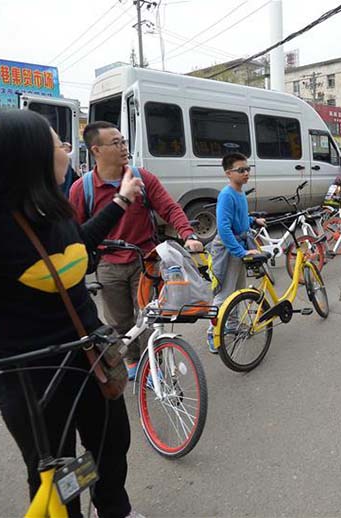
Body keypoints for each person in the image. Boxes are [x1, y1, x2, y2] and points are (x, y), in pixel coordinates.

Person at [0, 110, 143, 517]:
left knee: (111, 447)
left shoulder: (53, 207)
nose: (66, 150)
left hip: (89, 357)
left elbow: (76, 247)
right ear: (28, 155)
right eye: (57, 144)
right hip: (32, 379)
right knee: (53, 472)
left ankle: (116, 510)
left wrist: (121, 201)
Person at [69, 122, 203, 378]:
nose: (123, 148)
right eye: (116, 143)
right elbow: (74, 234)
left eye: (124, 141)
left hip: (146, 260)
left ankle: (152, 368)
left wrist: (188, 234)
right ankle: (132, 362)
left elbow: (170, 208)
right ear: (96, 150)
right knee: (120, 323)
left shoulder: (143, 178)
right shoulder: (82, 188)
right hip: (108, 264)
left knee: (150, 318)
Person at [207, 152, 266, 352]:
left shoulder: (239, 192)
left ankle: (230, 326)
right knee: (224, 293)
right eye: (241, 170)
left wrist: (252, 221)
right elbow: (223, 229)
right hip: (227, 248)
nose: (246, 173)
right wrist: (240, 252)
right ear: (228, 173)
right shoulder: (226, 194)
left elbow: (239, 219)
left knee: (238, 290)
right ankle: (212, 333)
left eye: (248, 169)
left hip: (237, 245)